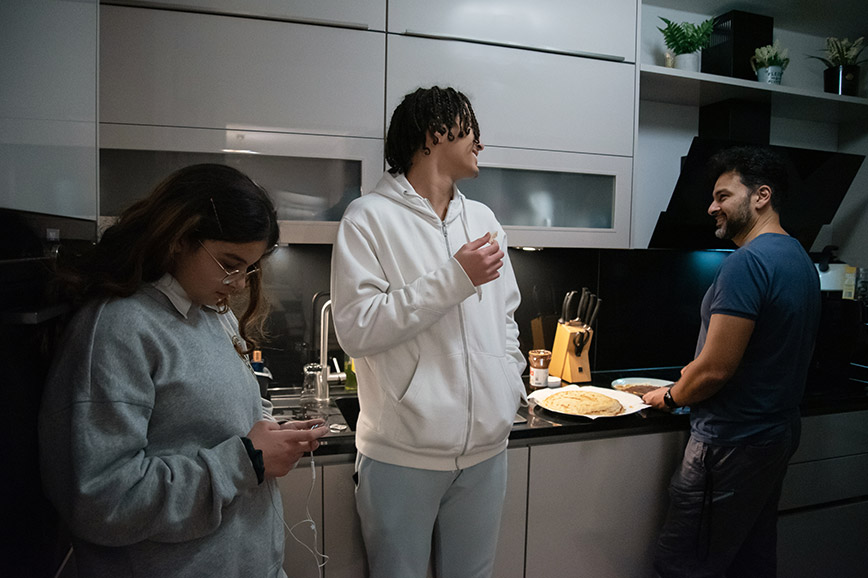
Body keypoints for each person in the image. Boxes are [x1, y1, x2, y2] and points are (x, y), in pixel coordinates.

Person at [38, 164, 328, 578]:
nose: (242, 283)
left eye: (250, 267)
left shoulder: (212, 312)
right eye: (230, 263)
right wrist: (246, 461)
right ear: (178, 239)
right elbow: (103, 501)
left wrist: (269, 435)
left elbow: (220, 423)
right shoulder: (118, 329)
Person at [330, 86, 526, 578]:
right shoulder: (367, 218)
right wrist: (453, 279)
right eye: (470, 129)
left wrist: (510, 384)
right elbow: (356, 330)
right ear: (436, 133)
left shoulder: (483, 221)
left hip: (487, 452)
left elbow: (506, 318)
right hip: (401, 456)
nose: (480, 142)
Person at [643, 146, 821, 577]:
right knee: (748, 561)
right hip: (774, 434)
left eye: (723, 196)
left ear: (761, 196)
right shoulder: (799, 259)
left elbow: (716, 370)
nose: (712, 207)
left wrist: (669, 395)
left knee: (682, 564)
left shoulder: (746, 263)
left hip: (729, 442)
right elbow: (764, 350)